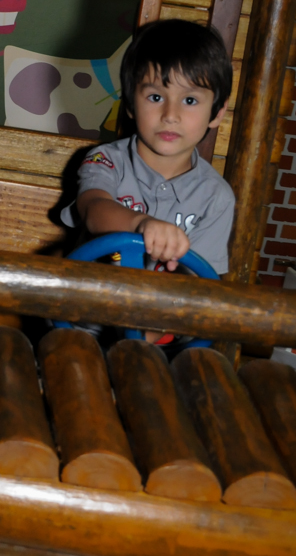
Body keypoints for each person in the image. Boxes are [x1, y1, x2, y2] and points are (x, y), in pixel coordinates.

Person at [62, 19, 235, 343]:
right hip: (78, 332)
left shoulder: (217, 197)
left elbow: (201, 288)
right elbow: (94, 208)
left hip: (161, 344)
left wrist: (150, 333)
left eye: (190, 100)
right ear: (130, 102)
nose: (171, 114)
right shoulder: (105, 161)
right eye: (155, 97)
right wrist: (141, 223)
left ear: (217, 112)